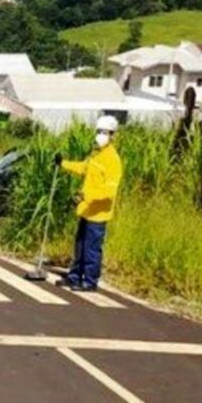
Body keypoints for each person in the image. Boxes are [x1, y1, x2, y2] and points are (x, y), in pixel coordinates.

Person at [55, 115, 124, 292]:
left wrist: (86, 195)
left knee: (92, 248)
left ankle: (90, 281)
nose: (100, 135)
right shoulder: (95, 154)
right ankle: (74, 276)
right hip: (86, 210)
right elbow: (82, 168)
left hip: (99, 213)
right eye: (99, 131)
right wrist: (63, 164)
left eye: (105, 132)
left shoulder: (113, 160)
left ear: (113, 135)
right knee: (80, 245)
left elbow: (109, 192)